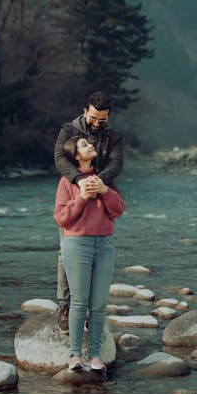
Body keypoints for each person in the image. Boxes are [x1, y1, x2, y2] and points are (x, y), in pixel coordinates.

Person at [54, 91, 124, 333]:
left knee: (99, 252)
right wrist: (78, 181)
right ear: (85, 111)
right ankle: (65, 306)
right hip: (74, 188)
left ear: (109, 116)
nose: (96, 124)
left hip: (102, 189)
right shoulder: (69, 130)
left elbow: (116, 163)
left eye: (101, 120)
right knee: (66, 252)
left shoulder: (113, 136)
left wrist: (98, 182)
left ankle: (89, 310)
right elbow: (59, 158)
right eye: (93, 118)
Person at [54, 135, 125, 371]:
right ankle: (74, 355)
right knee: (79, 302)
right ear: (75, 156)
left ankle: (94, 356)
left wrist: (105, 190)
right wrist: (82, 197)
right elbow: (61, 217)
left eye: (90, 143)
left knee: (98, 304)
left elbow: (118, 210)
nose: (90, 145)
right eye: (84, 145)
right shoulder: (67, 181)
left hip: (104, 244)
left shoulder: (104, 179)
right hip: (77, 244)